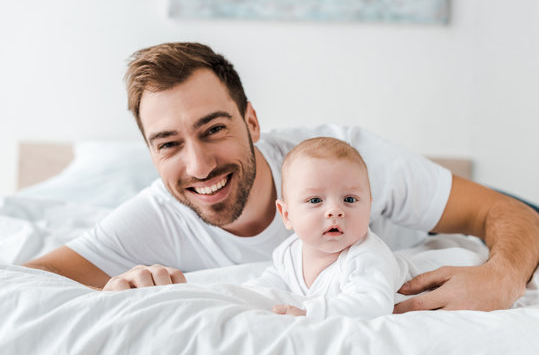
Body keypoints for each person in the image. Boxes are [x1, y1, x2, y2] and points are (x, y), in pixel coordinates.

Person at [23, 42, 539, 313]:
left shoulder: (345, 156)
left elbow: (504, 212)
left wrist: (503, 276)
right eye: (169, 144)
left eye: (214, 129)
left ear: (251, 121)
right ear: (150, 153)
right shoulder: (150, 219)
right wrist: (116, 283)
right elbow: (24, 282)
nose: (199, 166)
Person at [246, 137, 484, 319]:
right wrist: (249, 295)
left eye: (349, 200)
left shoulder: (365, 256)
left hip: (435, 273)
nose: (335, 211)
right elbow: (275, 279)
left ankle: (469, 248)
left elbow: (372, 303)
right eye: (315, 200)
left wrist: (311, 311)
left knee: (469, 256)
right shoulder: (289, 253)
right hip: (406, 259)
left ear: (369, 207)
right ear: (286, 214)